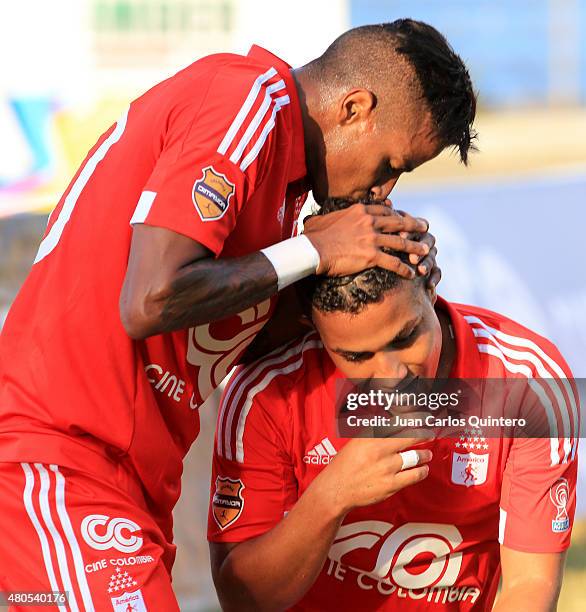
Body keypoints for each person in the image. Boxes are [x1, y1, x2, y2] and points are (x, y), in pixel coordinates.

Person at [0, 20, 476, 611]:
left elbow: (220, 334)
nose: (383, 191)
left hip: (131, 488)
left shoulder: (281, 198)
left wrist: (378, 282)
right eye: (389, 164)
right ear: (355, 108)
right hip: (57, 456)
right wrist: (317, 251)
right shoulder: (247, 100)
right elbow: (151, 298)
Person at [208, 198, 579, 611]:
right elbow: (242, 600)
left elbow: (529, 584)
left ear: (432, 286)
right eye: (356, 357)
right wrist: (332, 495)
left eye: (405, 338)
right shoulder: (267, 393)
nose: (391, 376)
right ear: (316, 333)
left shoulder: (528, 385)